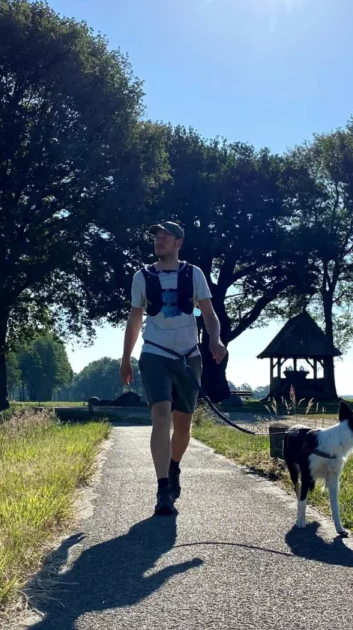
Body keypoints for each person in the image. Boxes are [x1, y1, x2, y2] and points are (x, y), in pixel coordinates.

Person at [121, 221, 227, 515]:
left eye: (166, 236)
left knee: (183, 425)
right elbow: (134, 319)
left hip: (189, 356)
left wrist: (215, 341)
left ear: (179, 242)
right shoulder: (141, 277)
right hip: (155, 353)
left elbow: (209, 313)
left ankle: (174, 466)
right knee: (161, 415)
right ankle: (162, 488)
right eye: (156, 236)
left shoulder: (194, 274)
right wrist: (125, 358)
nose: (159, 240)